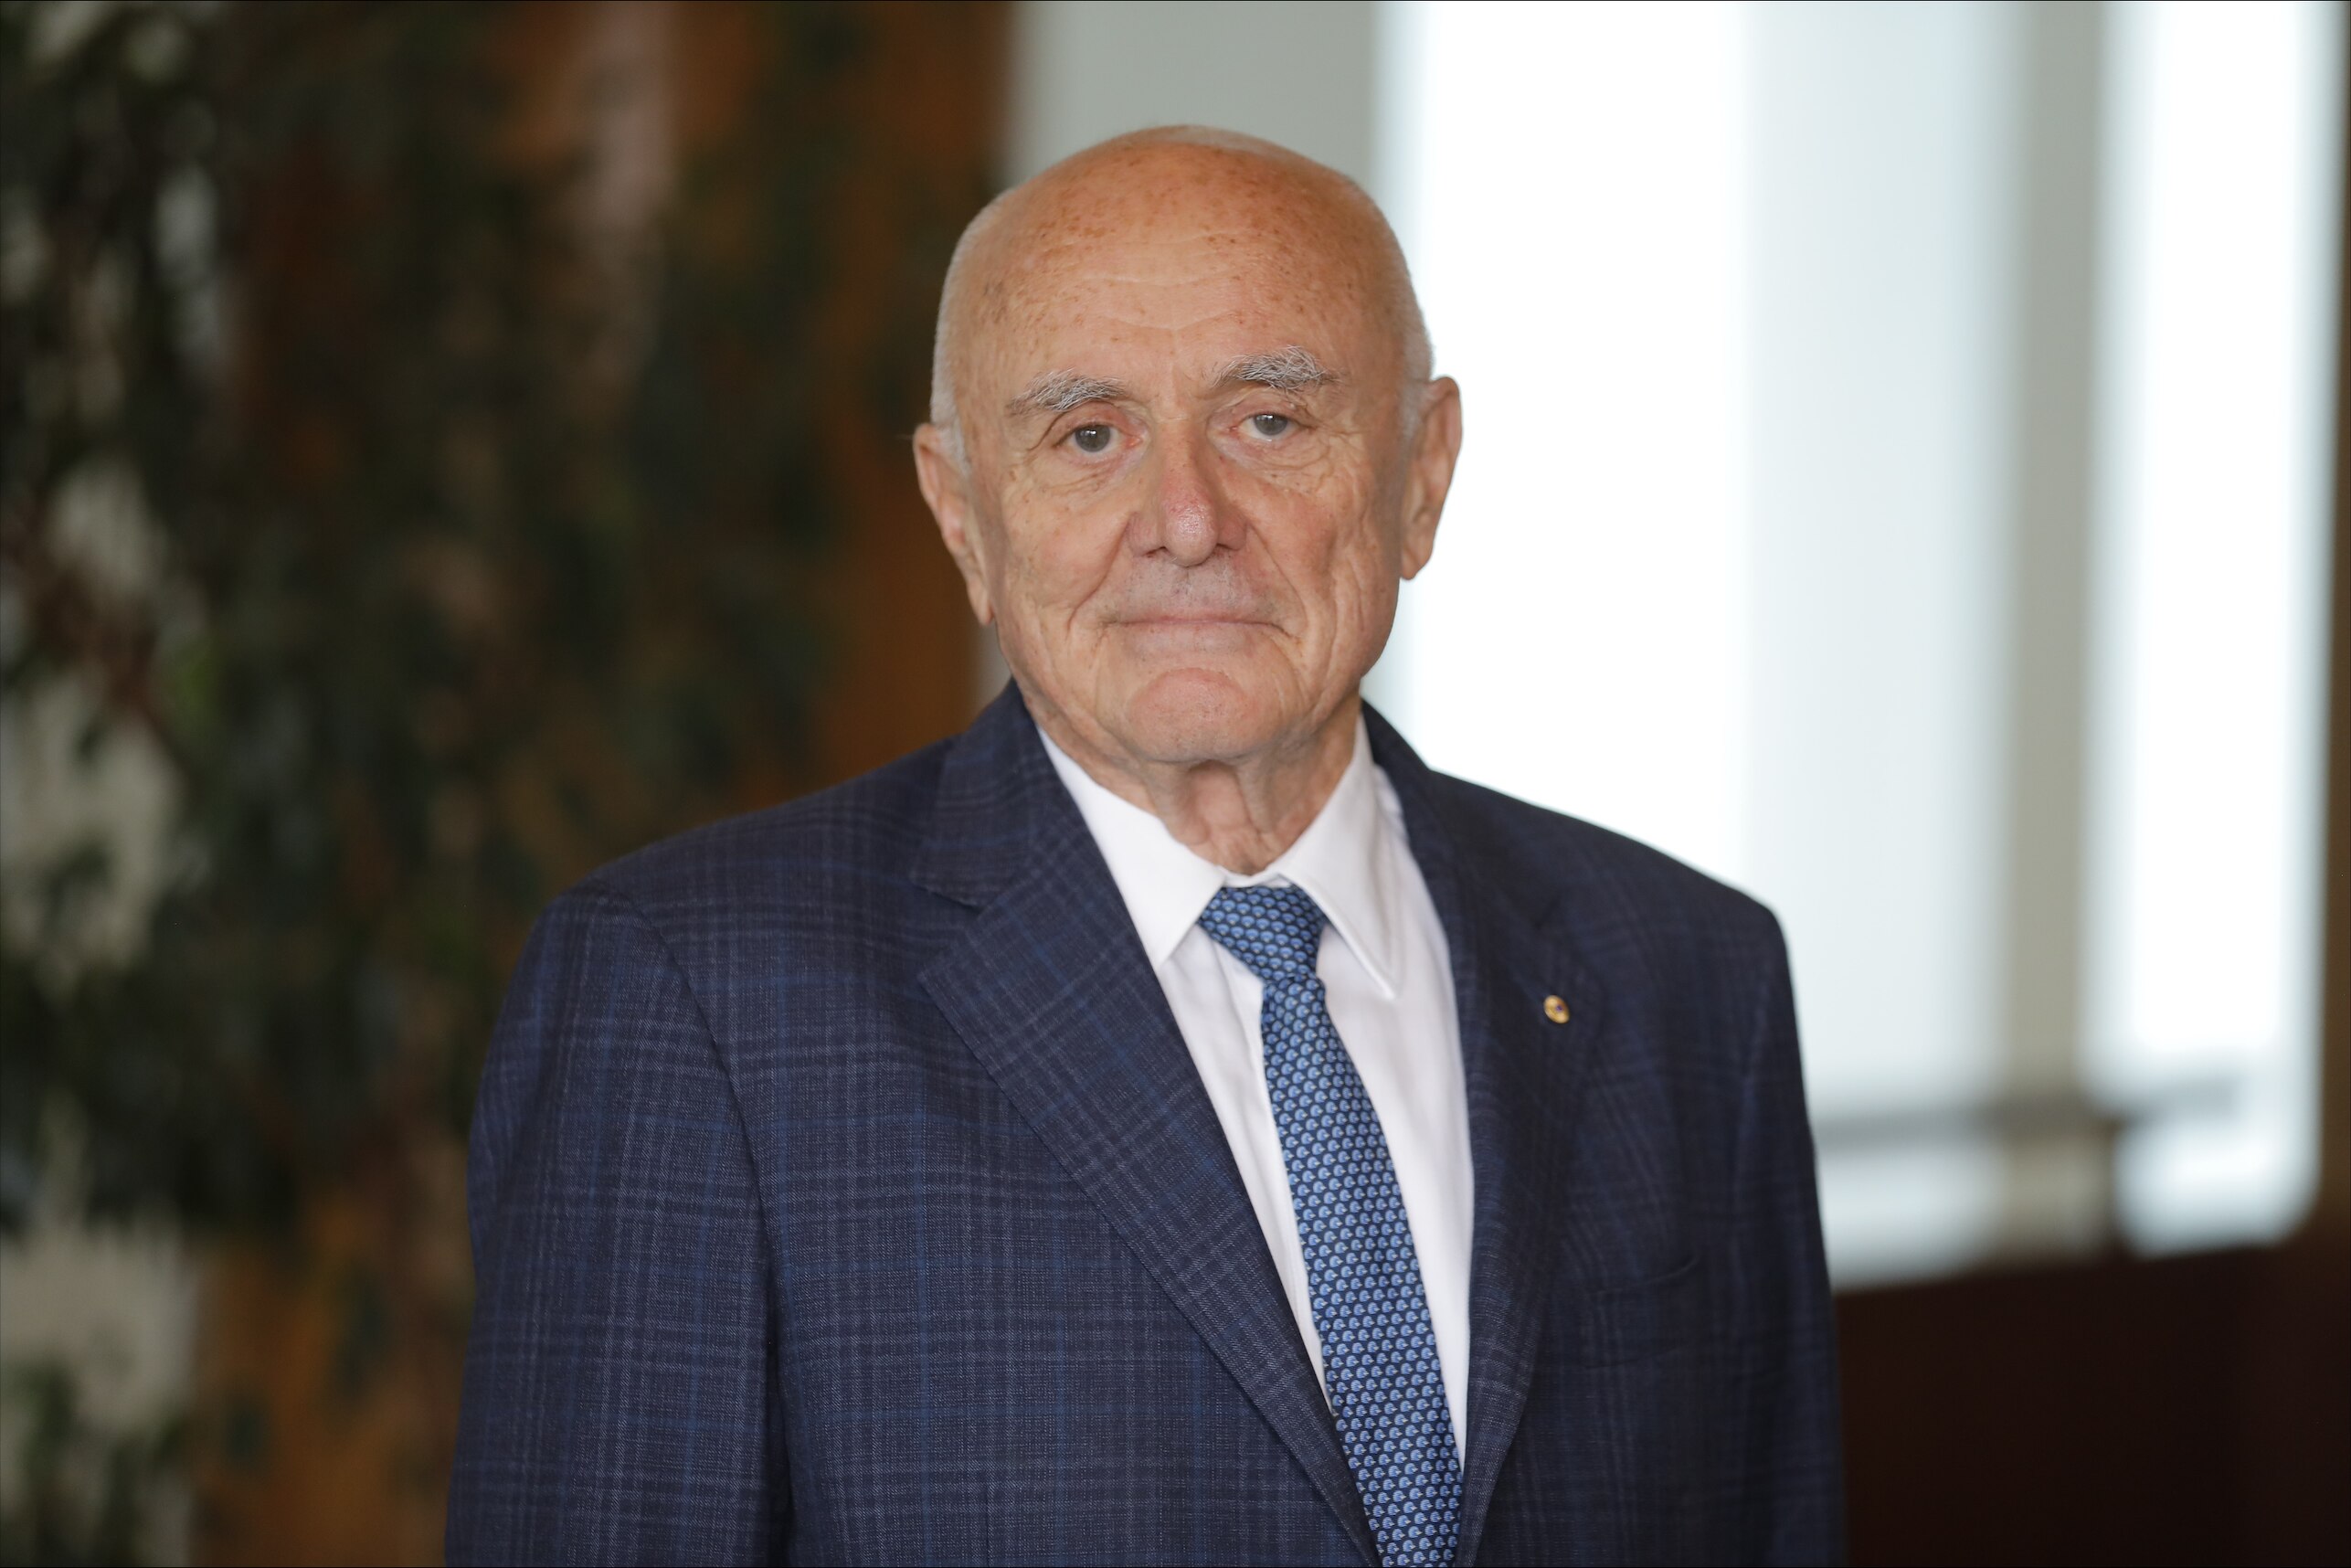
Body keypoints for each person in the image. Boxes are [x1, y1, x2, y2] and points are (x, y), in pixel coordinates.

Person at [447, 126, 1843, 1567]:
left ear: (1420, 477)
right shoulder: (698, 1003)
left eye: (1270, 422)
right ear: (962, 514)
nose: (1185, 522)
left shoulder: (1686, 975)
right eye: (1088, 436)